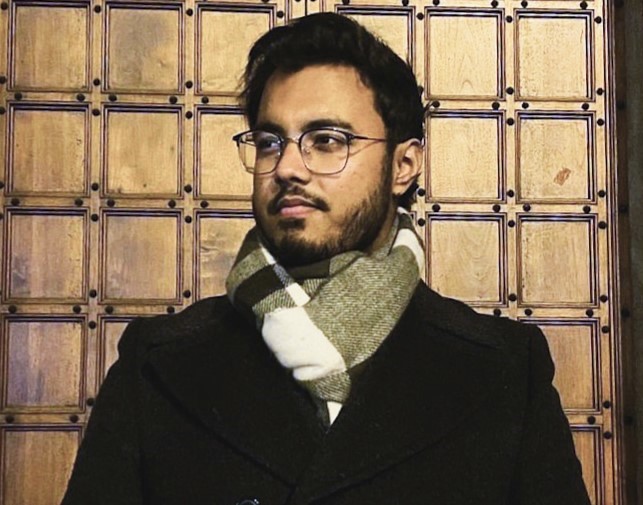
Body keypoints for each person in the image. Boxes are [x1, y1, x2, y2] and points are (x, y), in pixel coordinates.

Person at [62, 13, 591, 505]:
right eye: (270, 142)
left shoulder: (502, 371)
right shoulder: (159, 364)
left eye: (326, 140)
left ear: (403, 165)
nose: (288, 167)